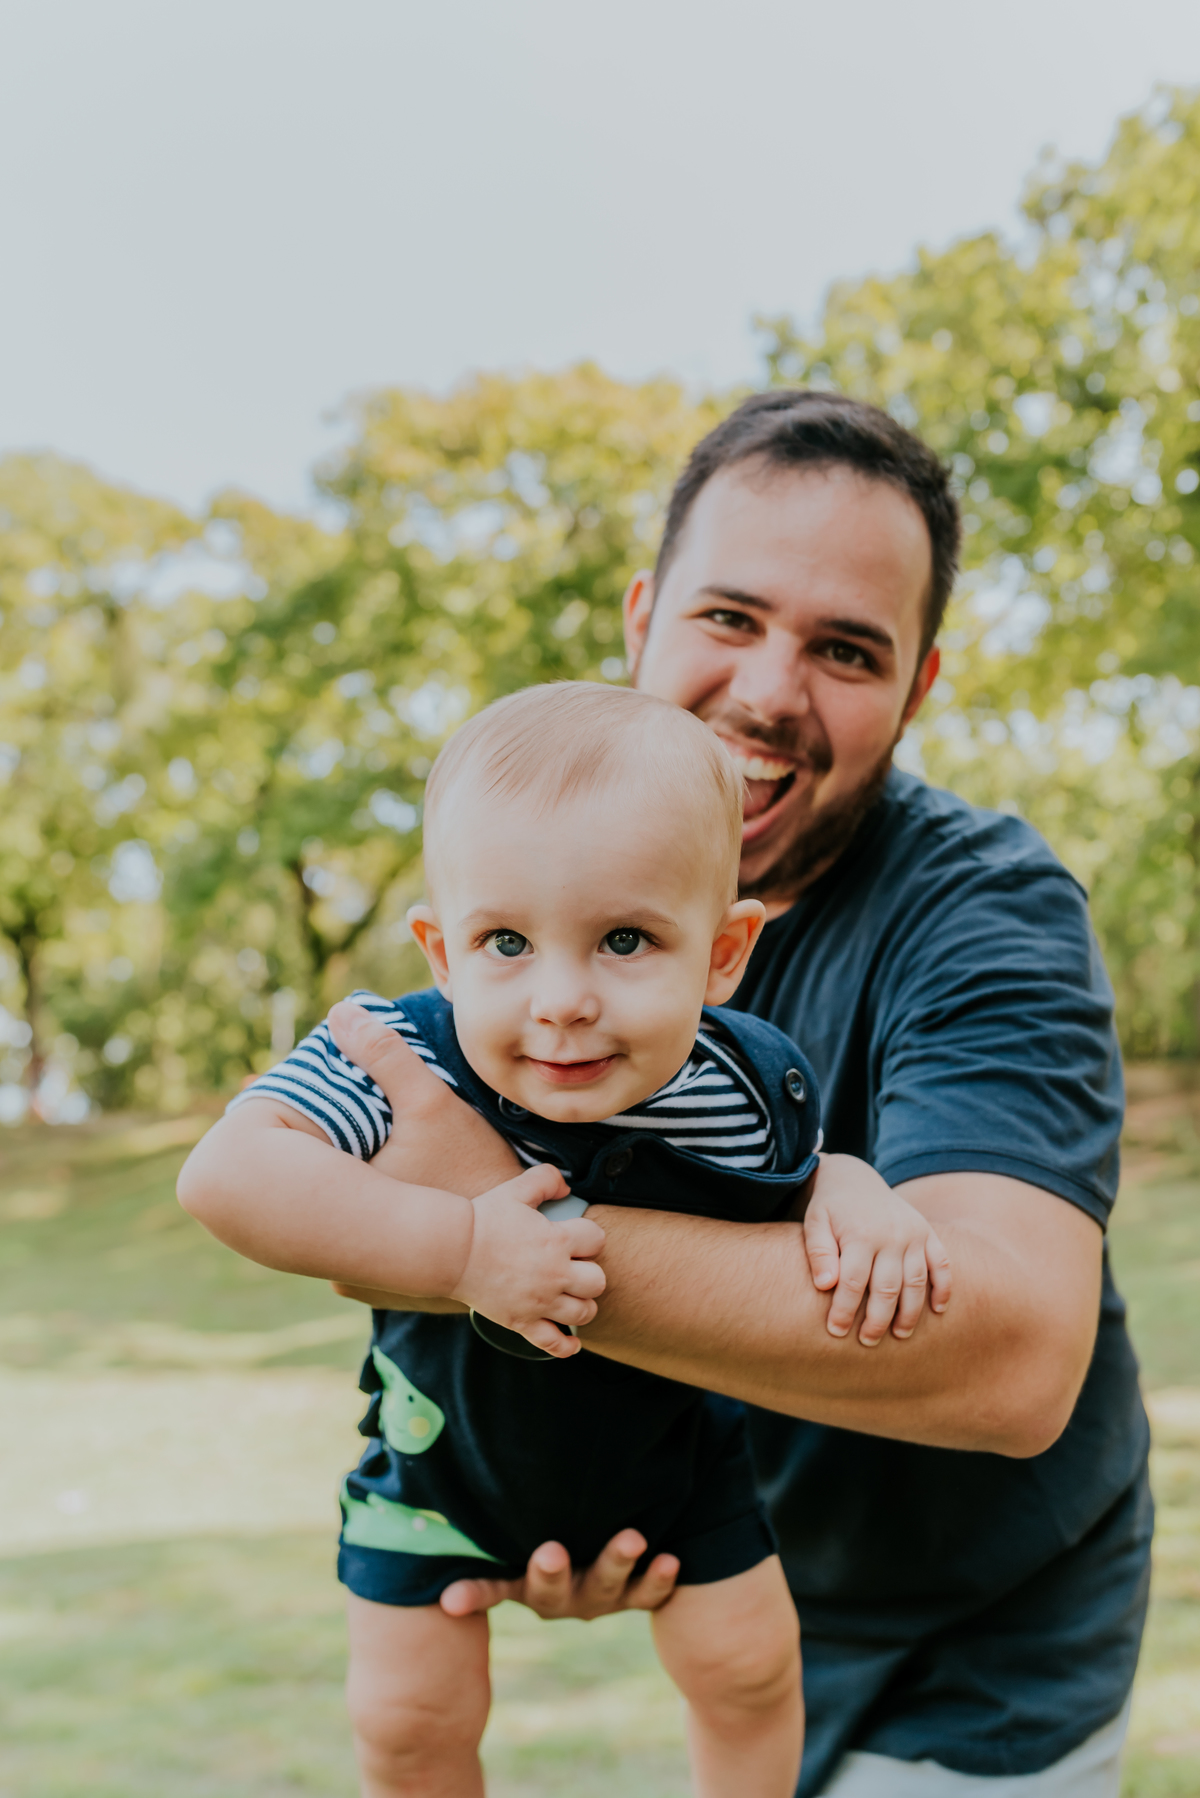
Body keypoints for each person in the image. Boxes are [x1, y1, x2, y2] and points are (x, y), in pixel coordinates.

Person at [325, 393, 1152, 1796]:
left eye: (846, 649)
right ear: (642, 616)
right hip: (735, 1575)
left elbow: (1011, 1359)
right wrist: (558, 1462)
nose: (772, 688)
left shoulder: (986, 912)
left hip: (975, 1652)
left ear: (920, 685)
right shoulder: (541, 886)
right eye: (729, 617)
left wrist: (485, 1243)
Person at [178, 679, 952, 1798]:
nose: (561, 999)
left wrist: (851, 1185)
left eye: (625, 939)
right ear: (441, 951)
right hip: (443, 1473)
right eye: (505, 941)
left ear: (724, 952)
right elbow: (227, 1175)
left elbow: (795, 1184)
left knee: (748, 1668)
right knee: (405, 1721)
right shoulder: (398, 1055)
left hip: (675, 1471)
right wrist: (462, 1250)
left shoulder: (741, 1085)